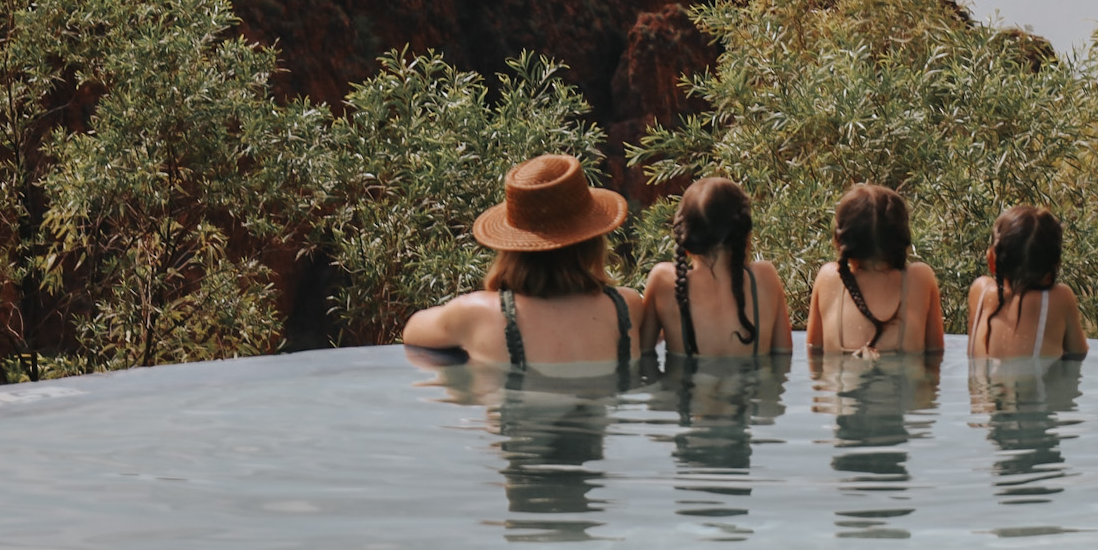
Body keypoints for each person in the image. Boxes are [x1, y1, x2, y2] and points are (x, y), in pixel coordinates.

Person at [400, 154, 643, 371]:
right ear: (592, 242)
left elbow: (413, 329)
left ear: (511, 247)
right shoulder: (627, 308)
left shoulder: (475, 314)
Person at [640, 177, 793, 358]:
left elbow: (642, 354)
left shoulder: (663, 280)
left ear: (684, 237)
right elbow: (784, 354)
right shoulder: (765, 277)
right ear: (744, 233)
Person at [805, 184, 944, 357]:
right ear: (903, 238)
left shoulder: (829, 279)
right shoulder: (920, 278)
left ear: (839, 240)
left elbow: (814, 353)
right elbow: (935, 354)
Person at [964, 205, 1088, 362]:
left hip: (980, 386)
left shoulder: (979, 290)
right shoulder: (1061, 298)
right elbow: (1079, 352)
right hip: (1035, 386)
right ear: (1054, 267)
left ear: (991, 260)